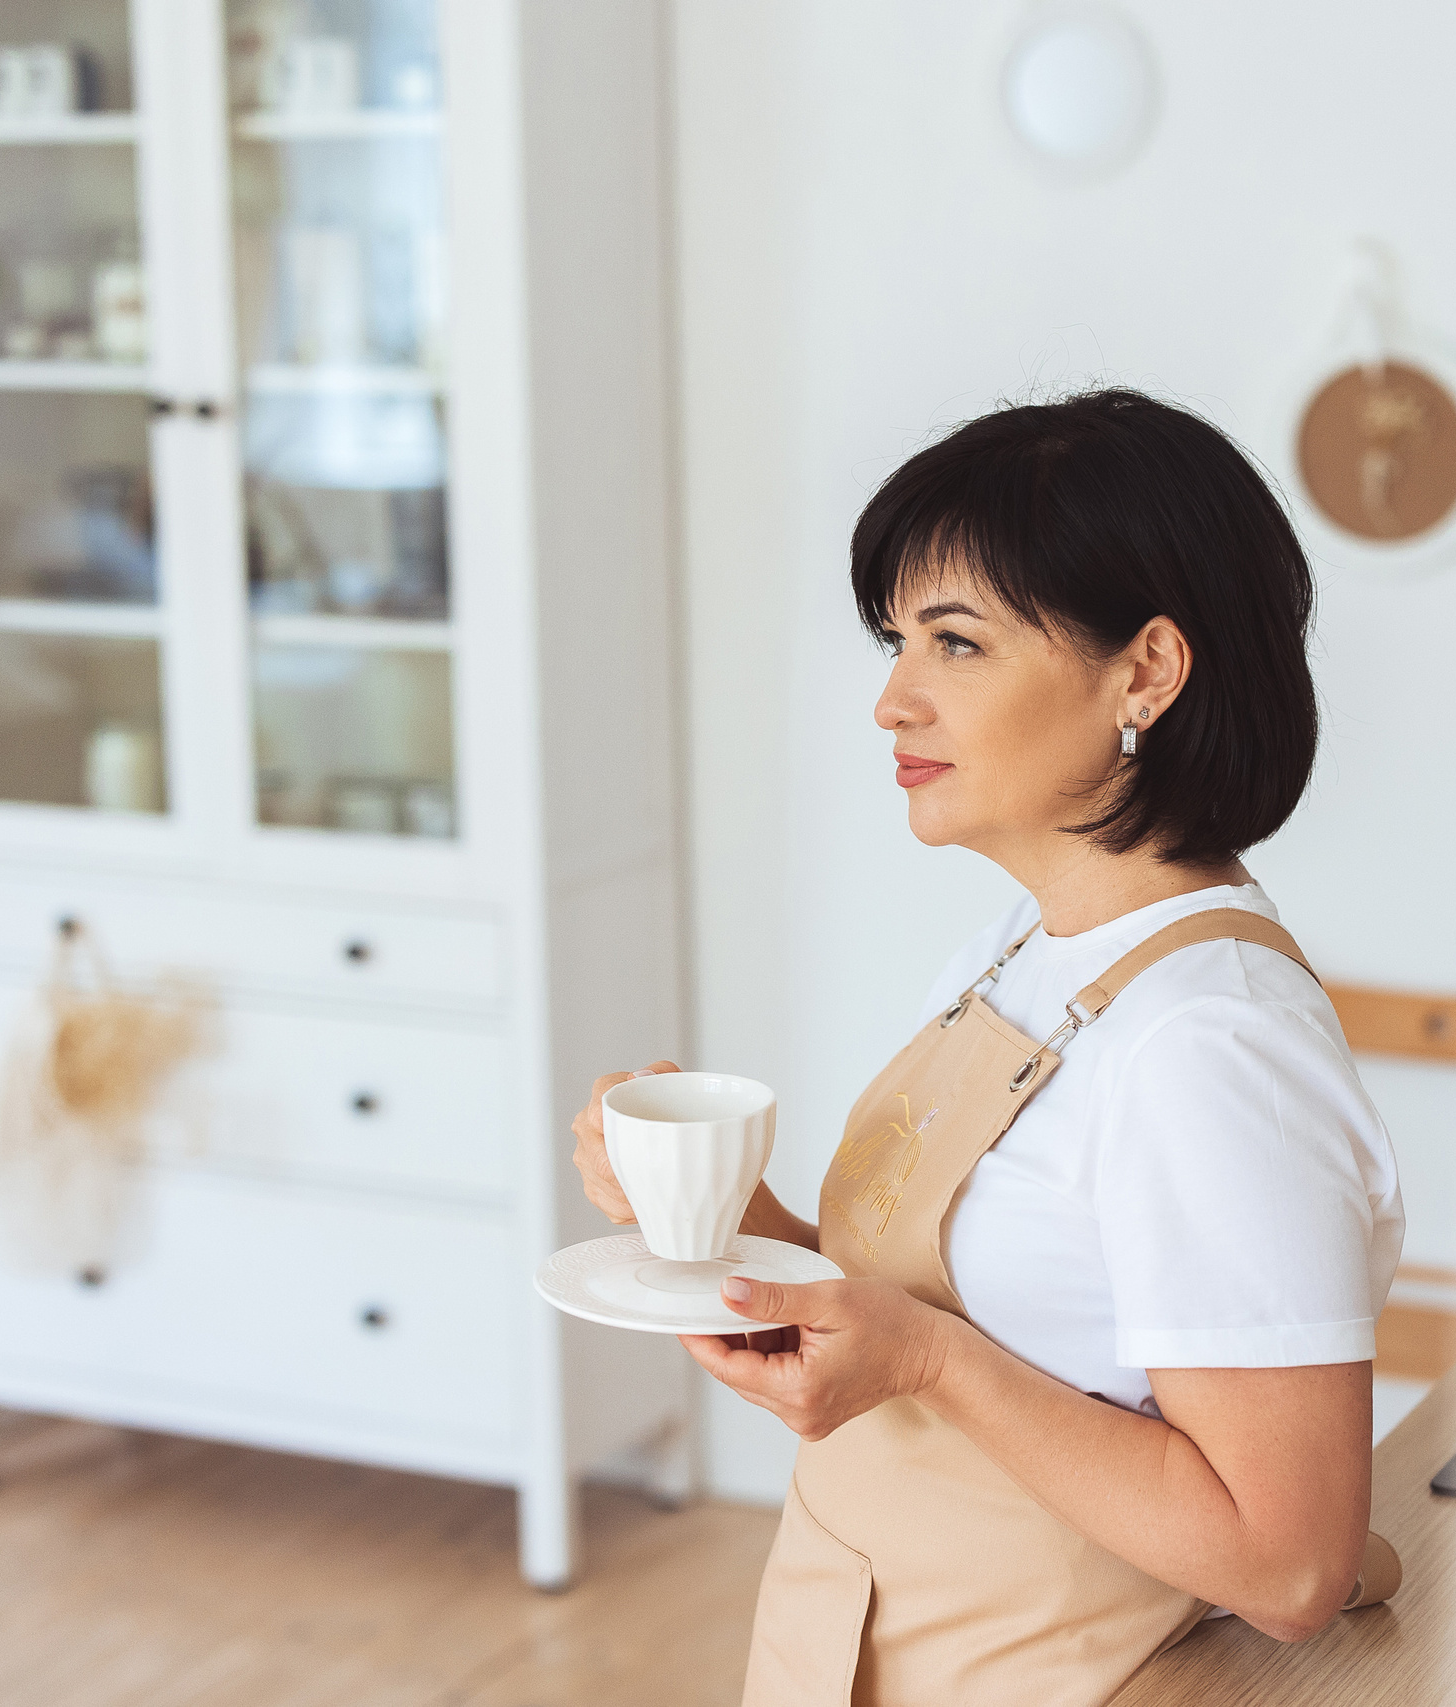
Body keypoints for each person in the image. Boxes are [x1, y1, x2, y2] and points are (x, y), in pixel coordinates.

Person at [570, 388, 1406, 1706]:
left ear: (1146, 671)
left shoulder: (1210, 1047)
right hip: (850, 1633)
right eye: (898, 641)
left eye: (955, 644)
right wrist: (717, 1222)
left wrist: (929, 1362)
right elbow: (947, 1301)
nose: (894, 702)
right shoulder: (1026, 947)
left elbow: (1289, 1562)